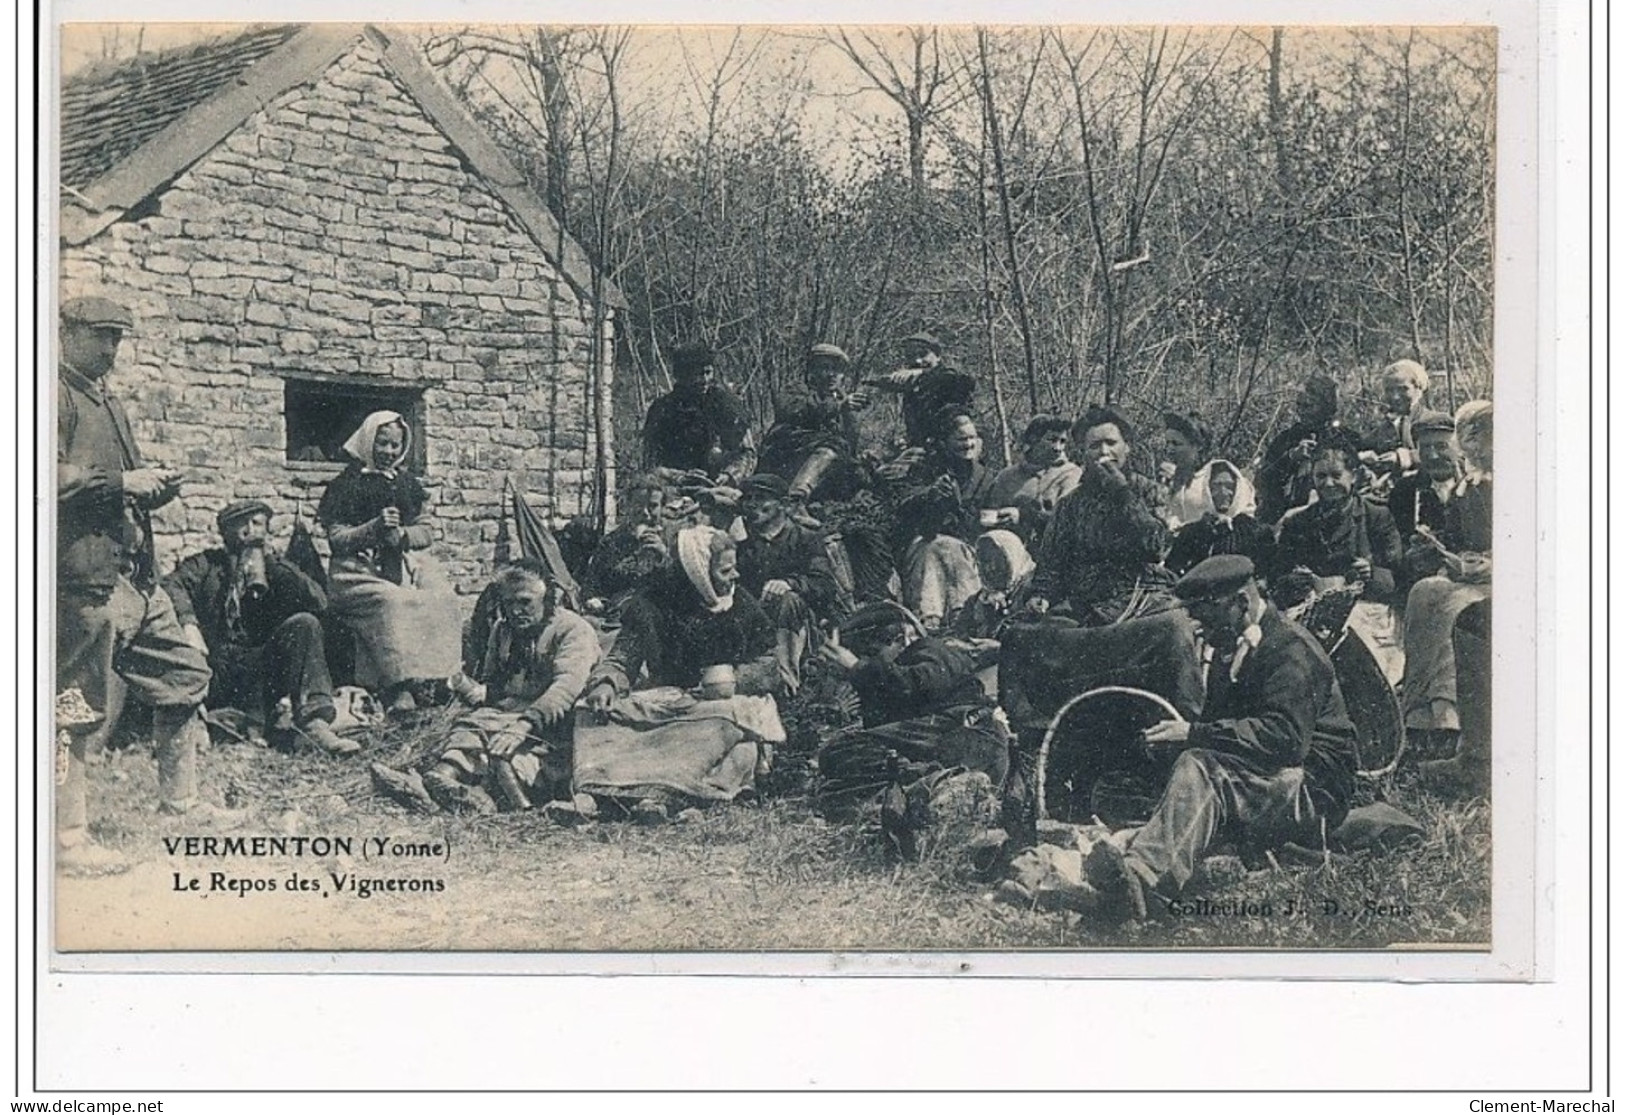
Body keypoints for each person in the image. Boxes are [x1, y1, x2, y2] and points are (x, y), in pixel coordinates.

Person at [1084, 556, 1359, 919]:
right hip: (1272, 776)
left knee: (1203, 770)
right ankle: (1141, 864)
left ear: (1241, 604)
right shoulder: (1233, 649)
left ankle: (1142, 881)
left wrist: (1194, 735)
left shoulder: (1293, 651)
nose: (1199, 628)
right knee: (1178, 772)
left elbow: (1287, 739)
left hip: (1315, 788)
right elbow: (1226, 731)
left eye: (1206, 616)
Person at [55, 295, 224, 875]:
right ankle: (66, 840)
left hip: (131, 575)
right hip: (79, 576)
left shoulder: (110, 402)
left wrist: (154, 487)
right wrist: (125, 480)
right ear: (67, 333)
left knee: (183, 672)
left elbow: (121, 485)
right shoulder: (47, 394)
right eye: (101, 336)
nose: (111, 349)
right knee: (71, 707)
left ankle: (181, 802)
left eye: (118, 338)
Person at [374, 562, 600, 814]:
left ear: (548, 599)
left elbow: (566, 688)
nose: (516, 611)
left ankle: (514, 807)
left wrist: (523, 725)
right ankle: (440, 782)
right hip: (508, 717)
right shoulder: (503, 631)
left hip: (555, 724)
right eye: (509, 603)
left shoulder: (573, 630)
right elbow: (496, 687)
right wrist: (464, 685)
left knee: (506, 758)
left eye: (525, 602)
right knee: (473, 726)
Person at [164, 499, 352, 754]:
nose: (250, 530)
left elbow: (318, 600)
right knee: (186, 648)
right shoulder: (206, 564)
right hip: (214, 668)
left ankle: (313, 725)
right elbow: (172, 585)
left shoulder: (278, 569)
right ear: (225, 532)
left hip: (261, 673)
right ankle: (198, 722)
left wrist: (273, 564)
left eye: (257, 523)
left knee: (305, 624)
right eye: (241, 524)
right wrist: (189, 624)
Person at [317, 410, 461, 713]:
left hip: (401, 566)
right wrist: (373, 529)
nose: (388, 452)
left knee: (444, 599)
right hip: (355, 571)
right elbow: (338, 539)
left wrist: (403, 536)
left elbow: (427, 531)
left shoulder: (407, 483)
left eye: (395, 445)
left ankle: (443, 680)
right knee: (393, 603)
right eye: (382, 444)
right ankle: (400, 687)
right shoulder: (346, 484)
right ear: (368, 441)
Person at [581, 525, 779, 711]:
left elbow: (770, 661)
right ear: (698, 573)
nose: (735, 575)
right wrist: (606, 684)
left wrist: (733, 680)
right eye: (725, 571)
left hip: (728, 702)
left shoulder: (741, 603)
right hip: (671, 703)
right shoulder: (654, 604)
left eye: (734, 567)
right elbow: (622, 659)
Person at [1402, 401, 1493, 767]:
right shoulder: (1468, 489)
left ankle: (1447, 717)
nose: (1474, 447)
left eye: (1481, 439)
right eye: (1469, 438)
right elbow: (1457, 541)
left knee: (1456, 609)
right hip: (1471, 575)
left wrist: (1485, 563)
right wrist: (1442, 553)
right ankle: (1418, 714)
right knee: (1425, 592)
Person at [1027, 405, 1176, 626]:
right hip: (1085, 602)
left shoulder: (1150, 492)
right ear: (1083, 454)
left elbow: (1156, 547)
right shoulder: (1070, 504)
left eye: (1111, 443)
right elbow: (1050, 563)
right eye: (1095, 446)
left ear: (1127, 447)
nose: (1104, 452)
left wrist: (1123, 494)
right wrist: (1041, 595)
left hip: (1141, 596)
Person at [891, 406, 997, 631]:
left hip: (968, 549)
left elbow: (986, 522)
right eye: (961, 439)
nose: (968, 444)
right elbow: (906, 509)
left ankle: (959, 616)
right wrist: (932, 496)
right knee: (937, 547)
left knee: (948, 548)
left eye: (972, 438)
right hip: (924, 547)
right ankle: (931, 618)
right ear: (945, 442)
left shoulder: (985, 477)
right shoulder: (926, 470)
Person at [736, 474, 845, 691]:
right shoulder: (745, 547)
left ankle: (786, 683)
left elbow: (824, 584)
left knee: (788, 600)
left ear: (784, 505)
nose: (752, 505)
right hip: (761, 621)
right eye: (749, 498)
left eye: (761, 498)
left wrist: (790, 583)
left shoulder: (806, 538)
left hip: (804, 625)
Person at [1272, 445, 1404, 608]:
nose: (1328, 484)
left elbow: (1396, 574)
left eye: (1336, 475)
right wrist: (1294, 582)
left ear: (1353, 476)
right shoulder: (1297, 523)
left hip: (1366, 610)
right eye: (1321, 476)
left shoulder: (1376, 516)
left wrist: (1371, 573)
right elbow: (1278, 576)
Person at [819, 603, 987, 729]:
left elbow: (913, 683)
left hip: (966, 730)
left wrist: (858, 666)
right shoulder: (900, 666)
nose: (906, 643)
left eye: (873, 654)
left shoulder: (931, 650)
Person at [759, 343, 871, 503]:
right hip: (784, 459)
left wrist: (847, 413)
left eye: (837, 370)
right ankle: (795, 500)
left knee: (860, 473)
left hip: (821, 467)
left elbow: (849, 446)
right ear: (812, 370)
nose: (832, 374)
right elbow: (792, 412)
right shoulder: (796, 389)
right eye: (825, 367)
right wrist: (838, 406)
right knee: (833, 444)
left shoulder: (841, 400)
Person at [641, 342, 757, 486]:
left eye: (708, 373)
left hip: (719, 486)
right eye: (697, 374)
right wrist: (677, 476)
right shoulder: (662, 409)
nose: (704, 380)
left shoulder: (725, 405)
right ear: (681, 375)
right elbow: (650, 461)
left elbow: (746, 453)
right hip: (672, 486)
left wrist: (729, 475)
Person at [1255, 376, 1366, 524]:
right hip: (1288, 516)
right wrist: (1290, 458)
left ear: (1326, 406)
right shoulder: (1286, 439)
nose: (1301, 412)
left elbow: (1360, 476)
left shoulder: (1348, 438)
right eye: (1299, 406)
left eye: (1309, 406)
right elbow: (1264, 480)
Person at [1388, 411, 1468, 602]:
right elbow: (1392, 545)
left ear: (1459, 448)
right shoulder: (1405, 490)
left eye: (1441, 446)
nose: (1432, 455)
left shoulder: (1477, 487)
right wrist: (1409, 554)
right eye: (1425, 448)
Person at [982, 414, 1082, 547]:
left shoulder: (1071, 474)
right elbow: (987, 515)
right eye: (1052, 440)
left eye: (1062, 441)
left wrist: (1023, 516)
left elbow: (1067, 521)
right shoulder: (1006, 476)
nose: (1058, 448)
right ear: (1033, 439)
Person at [863, 331, 976, 448]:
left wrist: (923, 373)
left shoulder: (949, 377)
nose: (917, 361)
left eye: (923, 354)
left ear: (937, 355)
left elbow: (964, 380)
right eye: (911, 356)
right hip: (926, 448)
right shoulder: (915, 385)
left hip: (957, 447)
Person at [1165, 460, 1274, 577]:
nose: (1223, 492)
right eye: (1216, 486)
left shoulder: (1255, 531)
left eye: (1229, 486)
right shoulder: (1193, 532)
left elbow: (1265, 573)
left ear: (1238, 489)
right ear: (1207, 489)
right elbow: (1172, 570)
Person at [581, 474, 671, 614]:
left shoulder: (672, 539)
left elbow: (681, 588)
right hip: (617, 617)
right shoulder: (611, 542)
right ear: (627, 506)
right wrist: (593, 600)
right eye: (638, 505)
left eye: (653, 506)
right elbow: (591, 585)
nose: (645, 513)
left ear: (662, 507)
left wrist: (664, 555)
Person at [1359, 359, 1431, 481]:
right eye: (1389, 390)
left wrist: (1405, 457)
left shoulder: (1432, 421)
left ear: (1418, 388)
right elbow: (1364, 446)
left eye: (1403, 389)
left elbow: (1444, 455)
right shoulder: (1385, 425)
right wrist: (1363, 457)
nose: (1395, 396)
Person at [1160, 411, 1213, 529]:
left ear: (1198, 446)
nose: (1169, 449)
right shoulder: (1170, 478)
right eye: (1167, 443)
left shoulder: (1213, 475)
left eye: (1176, 444)